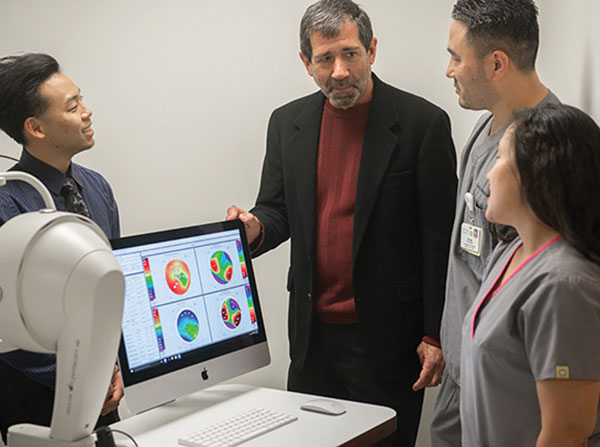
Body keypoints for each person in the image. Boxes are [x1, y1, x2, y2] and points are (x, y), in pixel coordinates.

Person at [226, 0, 457, 443]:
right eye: (325, 58)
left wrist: (436, 333)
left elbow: (437, 238)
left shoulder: (422, 124)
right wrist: (254, 227)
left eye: (350, 53)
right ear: (305, 62)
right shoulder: (286, 123)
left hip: (390, 340)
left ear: (372, 49)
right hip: (313, 340)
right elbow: (277, 209)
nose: (339, 71)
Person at [432, 0, 560, 443]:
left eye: (455, 57)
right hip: (460, 365)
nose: (449, 70)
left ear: (497, 63)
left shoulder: (542, 154)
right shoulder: (487, 125)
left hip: (498, 382)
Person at [461, 103, 600, 446]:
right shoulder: (510, 250)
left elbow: (566, 432)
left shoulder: (564, 285)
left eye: (500, 159)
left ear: (538, 173)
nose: (488, 175)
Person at [0, 53, 122, 442]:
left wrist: (111, 366)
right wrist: (81, 376)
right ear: (35, 127)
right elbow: (6, 331)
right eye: (73, 107)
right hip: (35, 398)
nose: (87, 113)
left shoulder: (97, 187)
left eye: (81, 100)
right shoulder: (8, 205)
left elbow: (113, 285)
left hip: (104, 388)